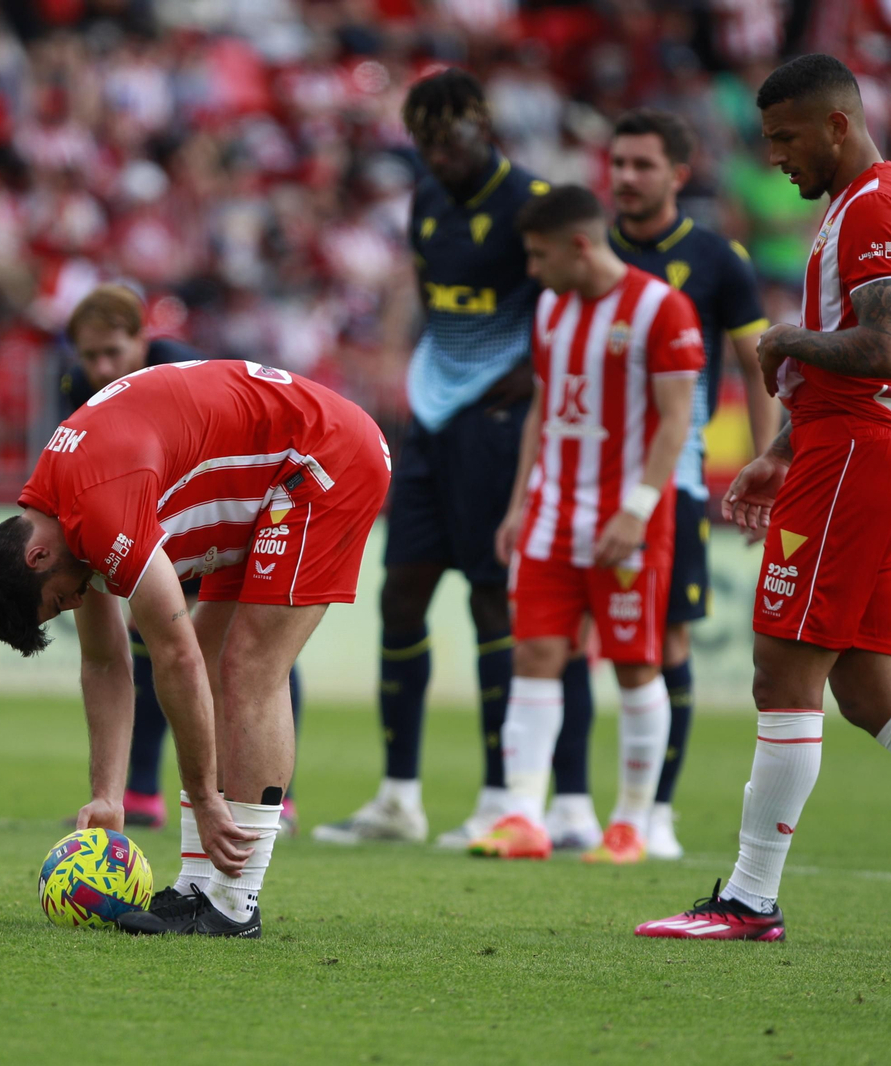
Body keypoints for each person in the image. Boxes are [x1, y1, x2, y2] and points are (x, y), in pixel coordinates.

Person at [638, 54, 891, 940]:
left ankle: (749, 899)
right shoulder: (866, 205)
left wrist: (783, 340)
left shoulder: (875, 208)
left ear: (837, 124)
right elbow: (865, 360)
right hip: (860, 451)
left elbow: (883, 348)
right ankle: (750, 897)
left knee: (783, 671)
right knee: (868, 689)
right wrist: (782, 446)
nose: (775, 156)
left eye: (786, 138)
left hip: (858, 457)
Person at [0, 359, 390, 937]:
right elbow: (105, 661)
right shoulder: (58, 508)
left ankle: (234, 904)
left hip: (321, 457)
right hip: (267, 475)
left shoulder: (98, 509)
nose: (77, 604)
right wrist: (107, 797)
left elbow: (174, 655)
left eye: (60, 600)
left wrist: (204, 796)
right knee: (215, 662)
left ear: (36, 557)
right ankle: (194, 888)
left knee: (249, 667)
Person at [312, 67, 601, 851]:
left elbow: (573, 298)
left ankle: (504, 796)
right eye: (426, 144)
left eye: (451, 141)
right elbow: (436, 301)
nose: (438, 157)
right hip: (434, 421)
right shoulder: (428, 203)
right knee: (400, 593)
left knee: (492, 603)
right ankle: (398, 797)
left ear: (485, 127)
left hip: (500, 427)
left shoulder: (530, 205)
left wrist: (531, 377)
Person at [541, 109, 776, 860]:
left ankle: (654, 815)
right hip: (577, 480)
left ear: (679, 173)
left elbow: (758, 364)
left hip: (667, 480)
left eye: (643, 165)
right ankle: (571, 804)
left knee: (666, 640)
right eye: (618, 164)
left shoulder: (715, 259)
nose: (627, 178)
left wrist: (764, 462)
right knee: (566, 636)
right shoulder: (583, 252)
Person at [469, 184, 702, 863]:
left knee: (634, 664)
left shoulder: (662, 307)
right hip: (550, 516)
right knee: (534, 655)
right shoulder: (549, 309)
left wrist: (637, 509)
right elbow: (544, 411)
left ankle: (630, 824)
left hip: (625, 522)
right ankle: (522, 816)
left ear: (579, 245)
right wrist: (519, 506)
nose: (532, 271)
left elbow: (677, 419)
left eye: (540, 256)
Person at [57, 284, 303, 834]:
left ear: (143, 340)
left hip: (218, 506)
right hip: (155, 520)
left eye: (113, 353)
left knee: (257, 644)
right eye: (90, 355)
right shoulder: (75, 386)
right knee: (152, 644)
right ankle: (142, 790)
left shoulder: (175, 367)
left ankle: (276, 798)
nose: (100, 367)